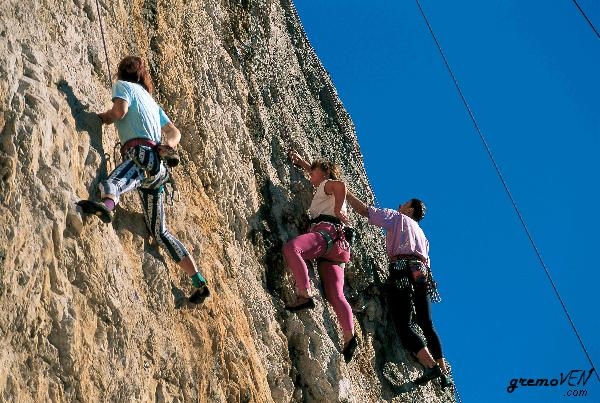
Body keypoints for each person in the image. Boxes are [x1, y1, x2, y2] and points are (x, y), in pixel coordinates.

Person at [77, 56, 209, 304]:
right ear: (142, 76)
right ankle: (198, 281)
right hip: (158, 170)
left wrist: (103, 118)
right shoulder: (150, 100)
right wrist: (168, 144)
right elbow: (175, 132)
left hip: (140, 155)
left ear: (121, 72)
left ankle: (106, 207)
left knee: (113, 183)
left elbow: (120, 112)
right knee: (160, 231)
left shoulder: (122, 86)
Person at [346, 193, 453, 388]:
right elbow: (426, 263)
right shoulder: (423, 237)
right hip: (422, 275)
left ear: (410, 210)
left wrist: (345, 192)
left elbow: (364, 210)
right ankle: (443, 370)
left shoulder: (397, 218)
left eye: (404, 204)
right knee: (426, 323)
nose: (400, 204)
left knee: (404, 325)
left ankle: (430, 366)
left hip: (402, 269)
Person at [283, 150, 358, 363]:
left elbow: (339, 185)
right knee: (336, 295)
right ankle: (349, 336)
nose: (310, 177)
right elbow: (318, 175)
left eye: (312, 173)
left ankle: (304, 294)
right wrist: (303, 163)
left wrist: (337, 208)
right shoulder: (324, 187)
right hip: (340, 249)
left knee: (292, 249)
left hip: (327, 233)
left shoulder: (328, 185)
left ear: (324, 172)